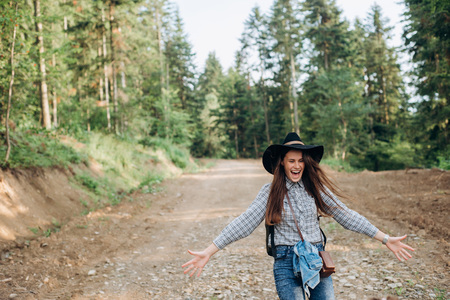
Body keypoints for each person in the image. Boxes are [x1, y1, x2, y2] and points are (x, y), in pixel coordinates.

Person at [182, 132, 415, 300]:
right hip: (285, 262)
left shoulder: (316, 189)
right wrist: (209, 251)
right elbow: (244, 223)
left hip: (315, 261)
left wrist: (385, 239)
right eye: (291, 160)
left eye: (301, 160)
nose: (297, 165)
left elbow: (346, 215)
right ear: (282, 163)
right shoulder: (270, 191)